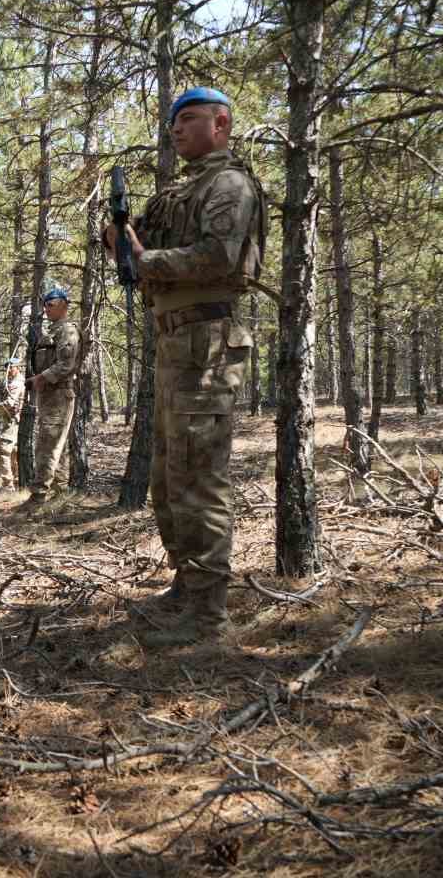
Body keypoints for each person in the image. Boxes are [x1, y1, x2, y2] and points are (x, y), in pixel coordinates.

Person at [101, 86, 266, 645]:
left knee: (198, 475)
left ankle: (207, 613)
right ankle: (186, 588)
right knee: (169, 476)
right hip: (175, 341)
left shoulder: (229, 184)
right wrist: (120, 240)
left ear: (221, 125)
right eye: (174, 121)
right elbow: (142, 247)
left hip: (208, 341)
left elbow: (218, 256)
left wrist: (147, 259)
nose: (177, 129)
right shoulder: (179, 191)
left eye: (190, 119)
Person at [27, 286, 80, 503]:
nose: (46, 309)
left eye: (50, 304)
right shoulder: (53, 331)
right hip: (49, 395)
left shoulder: (67, 330)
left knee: (47, 444)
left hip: (59, 395)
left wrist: (39, 379)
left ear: (64, 305)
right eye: (44, 305)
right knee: (57, 445)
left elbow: (66, 365)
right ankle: (60, 495)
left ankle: (39, 495)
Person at [0, 357, 25, 489]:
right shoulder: (14, 382)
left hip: (13, 422)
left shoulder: (16, 383)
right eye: (6, 368)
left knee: (2, 453)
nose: (8, 370)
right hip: (14, 421)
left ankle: (8, 486)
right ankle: (18, 483)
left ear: (17, 367)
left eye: (11, 367)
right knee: (14, 453)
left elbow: (9, 403)